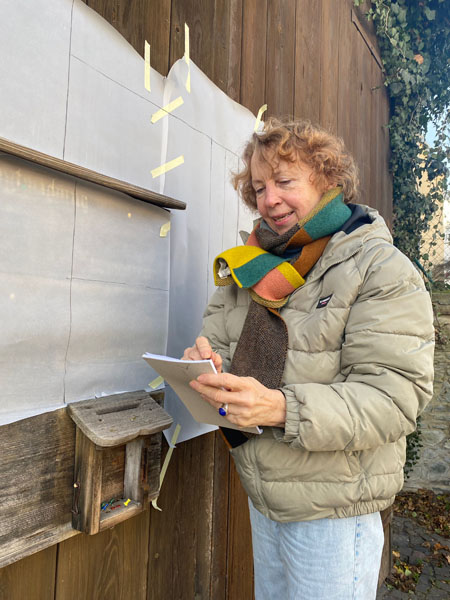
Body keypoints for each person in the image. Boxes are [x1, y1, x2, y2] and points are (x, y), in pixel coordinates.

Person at [182, 117, 434, 599]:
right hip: (266, 495)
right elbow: (218, 346)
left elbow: (394, 399)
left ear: (326, 180)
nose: (269, 199)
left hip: (335, 512)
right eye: (259, 187)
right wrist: (207, 365)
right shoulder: (249, 266)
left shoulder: (380, 269)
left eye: (284, 181)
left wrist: (280, 408)